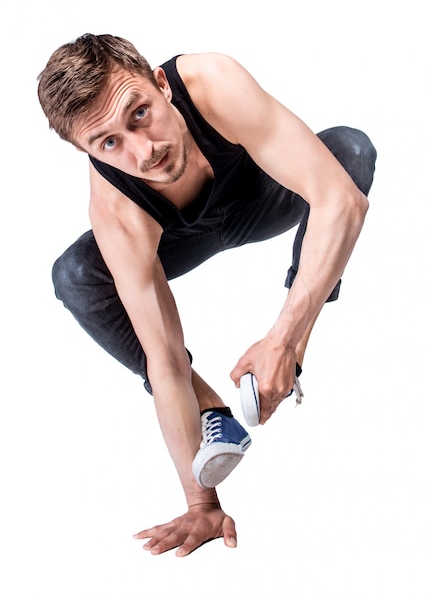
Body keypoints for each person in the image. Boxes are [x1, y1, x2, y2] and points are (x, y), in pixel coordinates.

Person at [37, 33, 376, 557]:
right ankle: (213, 408)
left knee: (349, 150)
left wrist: (284, 339)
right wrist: (202, 505)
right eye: (108, 144)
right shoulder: (116, 210)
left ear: (161, 84)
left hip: (262, 194)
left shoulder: (212, 83)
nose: (143, 151)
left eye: (139, 114)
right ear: (87, 151)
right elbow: (165, 362)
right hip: (178, 242)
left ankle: (286, 360)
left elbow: (341, 201)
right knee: (75, 273)